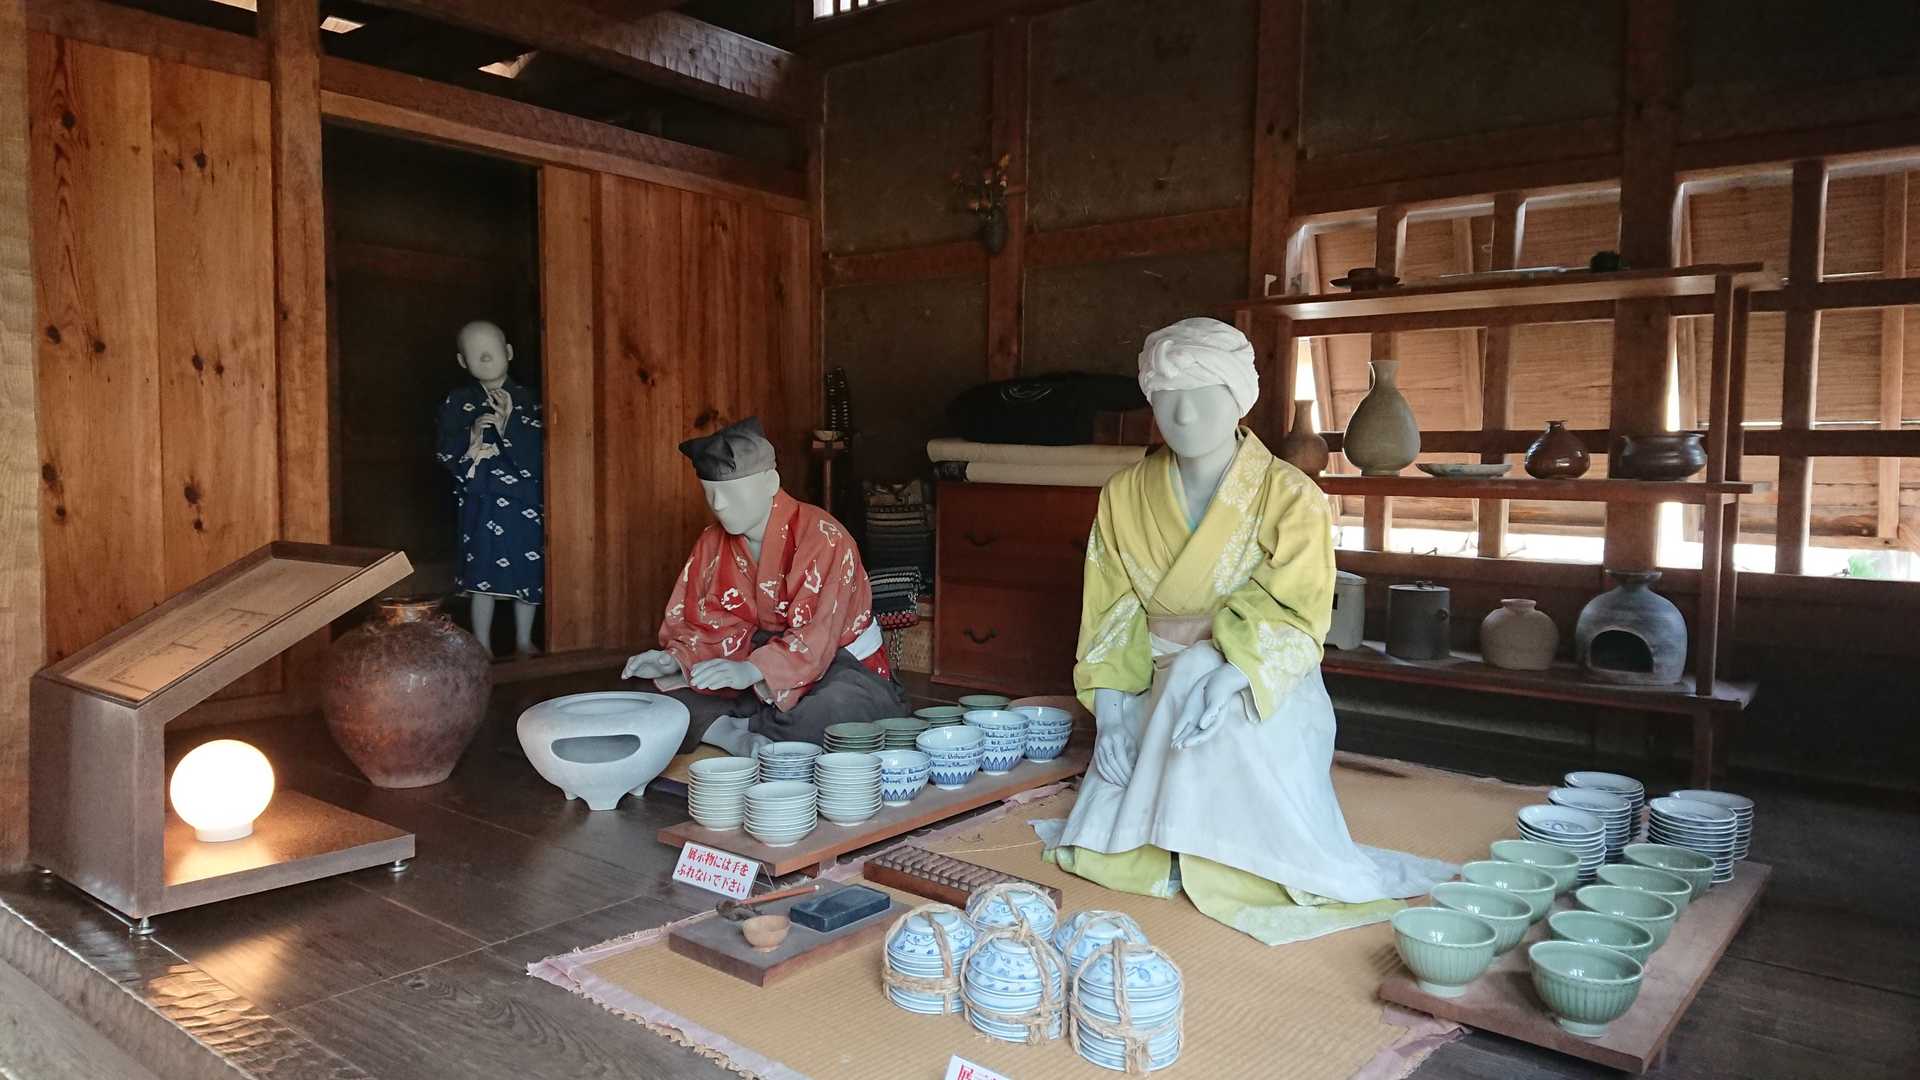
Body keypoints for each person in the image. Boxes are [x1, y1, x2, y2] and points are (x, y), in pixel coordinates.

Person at [1049, 317, 1451, 944]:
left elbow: (1297, 610)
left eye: (1202, 395)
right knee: (1134, 764)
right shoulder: (1124, 494)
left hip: (1258, 678)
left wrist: (1228, 668)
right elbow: (1111, 610)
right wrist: (1112, 713)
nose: (1183, 415)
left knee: (1218, 706)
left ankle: (1227, 854)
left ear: (1238, 398)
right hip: (1150, 677)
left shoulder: (1290, 495)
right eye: (1166, 397)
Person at [622, 417, 909, 753]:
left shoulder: (823, 536)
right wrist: (675, 660)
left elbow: (817, 635)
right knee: (645, 688)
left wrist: (753, 670)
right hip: (748, 653)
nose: (719, 504)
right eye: (710, 492)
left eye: (730, 492)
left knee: (838, 709)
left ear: (771, 482)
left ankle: (727, 725)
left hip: (835, 661)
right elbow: (706, 623)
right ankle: (734, 735)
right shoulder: (712, 541)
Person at [435, 320, 543, 658]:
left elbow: (543, 451)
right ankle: (482, 642)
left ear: (508, 352)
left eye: (491, 351)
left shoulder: (532, 399)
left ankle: (524, 640)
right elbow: (445, 449)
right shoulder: (457, 402)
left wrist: (510, 424)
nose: (485, 358)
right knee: (481, 569)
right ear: (462, 361)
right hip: (481, 501)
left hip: (523, 501)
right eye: (475, 354)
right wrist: (473, 434)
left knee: (528, 567)